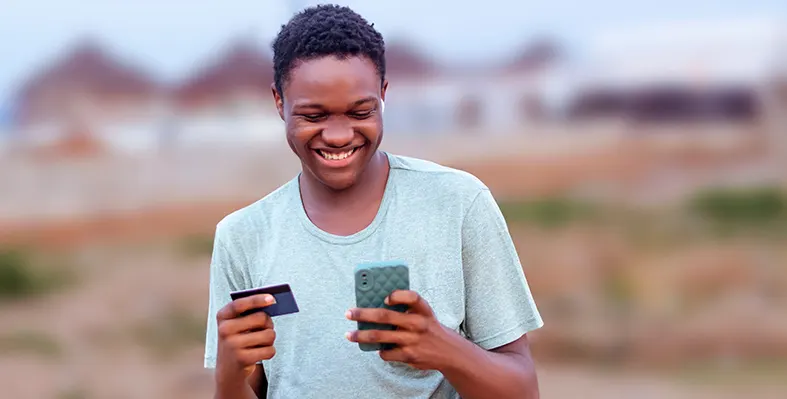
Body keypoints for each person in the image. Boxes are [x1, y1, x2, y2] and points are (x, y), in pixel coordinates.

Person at [204, 4, 543, 398]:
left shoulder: (459, 205)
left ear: (383, 95)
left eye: (360, 111)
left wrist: (444, 348)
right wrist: (229, 376)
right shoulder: (242, 237)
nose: (337, 135)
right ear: (279, 102)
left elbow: (523, 390)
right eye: (313, 116)